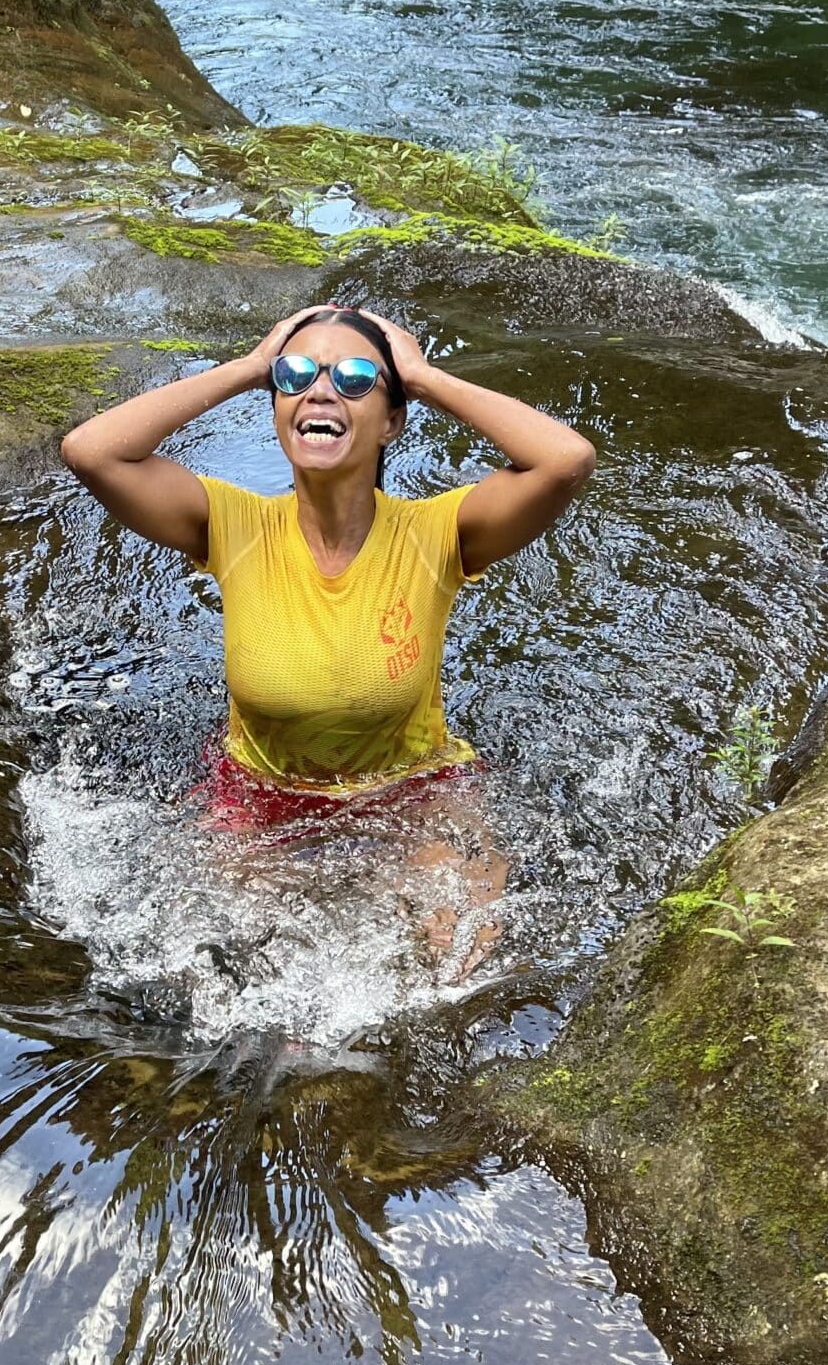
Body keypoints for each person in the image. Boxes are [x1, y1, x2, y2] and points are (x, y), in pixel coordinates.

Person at [60, 305, 596, 956]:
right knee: (230, 974)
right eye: (296, 374)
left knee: (458, 966)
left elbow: (565, 461)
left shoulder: (440, 533)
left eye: (354, 377)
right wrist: (247, 368)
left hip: (415, 794)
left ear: (392, 420)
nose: (321, 389)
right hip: (259, 796)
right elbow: (91, 451)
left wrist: (423, 376)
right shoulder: (230, 524)